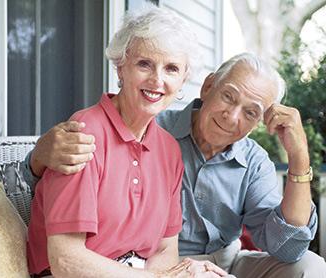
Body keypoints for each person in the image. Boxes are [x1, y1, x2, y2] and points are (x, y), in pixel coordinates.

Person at [24, 52, 326, 277]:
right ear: (208, 87)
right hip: (156, 262)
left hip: (225, 261)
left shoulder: (254, 161)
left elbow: (288, 248)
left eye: (250, 113)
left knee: (310, 267)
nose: (231, 117)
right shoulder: (152, 130)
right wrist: (40, 155)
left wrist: (299, 157)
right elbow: (58, 185)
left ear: (260, 122)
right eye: (228, 97)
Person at [26, 5, 229, 278]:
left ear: (182, 81)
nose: (157, 80)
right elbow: (67, 262)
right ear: (120, 67)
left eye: (171, 69)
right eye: (144, 64)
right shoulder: (85, 133)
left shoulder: (169, 150)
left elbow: (164, 251)